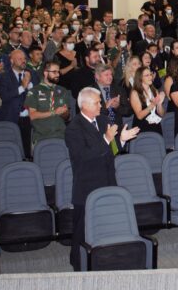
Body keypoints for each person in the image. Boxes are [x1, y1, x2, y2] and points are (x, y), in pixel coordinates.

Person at [65, 87, 139, 271]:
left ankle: (106, 258)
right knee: (82, 229)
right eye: (97, 102)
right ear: (84, 105)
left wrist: (120, 141)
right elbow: (83, 156)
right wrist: (106, 139)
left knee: (107, 223)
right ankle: (79, 264)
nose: (101, 105)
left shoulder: (103, 119)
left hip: (107, 180)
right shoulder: (73, 128)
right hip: (87, 185)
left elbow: (110, 152)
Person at [0, 49, 38, 158]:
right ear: (11, 61)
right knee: (14, 150)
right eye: (20, 59)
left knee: (29, 150)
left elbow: (38, 94)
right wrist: (22, 87)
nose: (23, 61)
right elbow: (4, 96)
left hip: (30, 116)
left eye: (24, 58)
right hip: (12, 116)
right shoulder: (4, 75)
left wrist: (30, 87)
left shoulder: (32, 74)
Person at [24, 61, 70, 144]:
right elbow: (32, 115)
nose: (58, 74)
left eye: (58, 72)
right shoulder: (34, 91)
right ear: (45, 73)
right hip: (42, 137)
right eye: (54, 72)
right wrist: (54, 112)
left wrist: (64, 112)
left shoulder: (63, 91)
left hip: (61, 135)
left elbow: (67, 117)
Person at [129, 66, 166, 135]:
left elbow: (162, 114)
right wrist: (153, 105)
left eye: (150, 75)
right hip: (142, 127)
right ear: (140, 78)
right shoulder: (135, 93)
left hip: (155, 126)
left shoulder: (154, 90)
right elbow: (139, 116)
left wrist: (159, 104)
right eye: (147, 75)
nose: (150, 77)